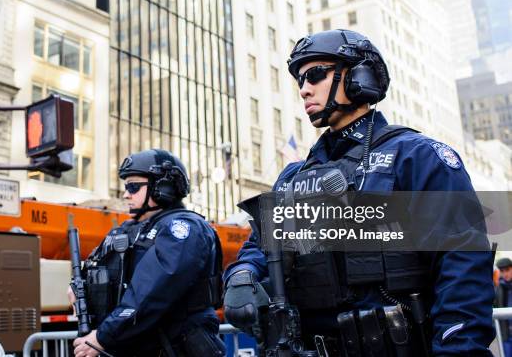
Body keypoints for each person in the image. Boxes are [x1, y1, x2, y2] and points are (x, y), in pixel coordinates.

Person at [223, 29, 495, 355]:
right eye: (300, 81)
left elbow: (462, 264)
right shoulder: (293, 177)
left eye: (315, 75)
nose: (304, 90)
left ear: (358, 76)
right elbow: (262, 248)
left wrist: (458, 351)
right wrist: (242, 274)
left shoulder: (415, 156)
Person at [71, 149, 226, 357]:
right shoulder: (131, 229)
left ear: (162, 187)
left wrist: (103, 337)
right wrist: (78, 288)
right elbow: (102, 270)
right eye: (126, 186)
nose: (126, 194)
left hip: (175, 348)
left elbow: (151, 293)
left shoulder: (183, 228)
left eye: (133, 186)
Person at [496, 257, 512, 356]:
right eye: (502, 271)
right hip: (506, 335)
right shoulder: (498, 288)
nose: (505, 273)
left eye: (507, 270)